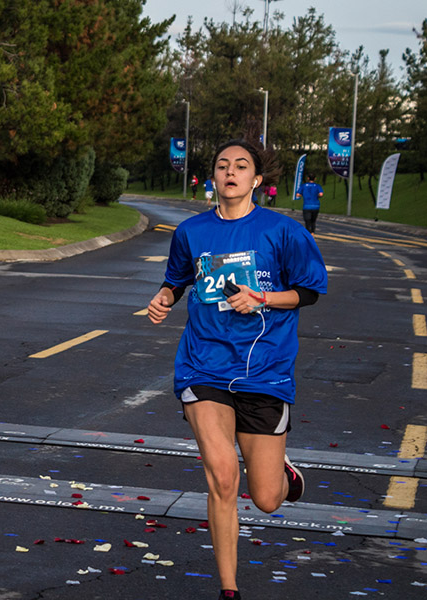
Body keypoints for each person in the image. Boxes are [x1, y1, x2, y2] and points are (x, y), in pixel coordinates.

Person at [146, 139, 328, 600]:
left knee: (266, 499)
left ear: (256, 180)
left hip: (265, 367)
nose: (231, 172)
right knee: (223, 474)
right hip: (203, 365)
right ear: (214, 177)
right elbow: (178, 279)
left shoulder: (282, 232)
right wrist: (165, 299)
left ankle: (281, 473)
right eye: (223, 165)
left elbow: (308, 291)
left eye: (241, 166)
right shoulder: (190, 231)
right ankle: (229, 589)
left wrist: (262, 297)